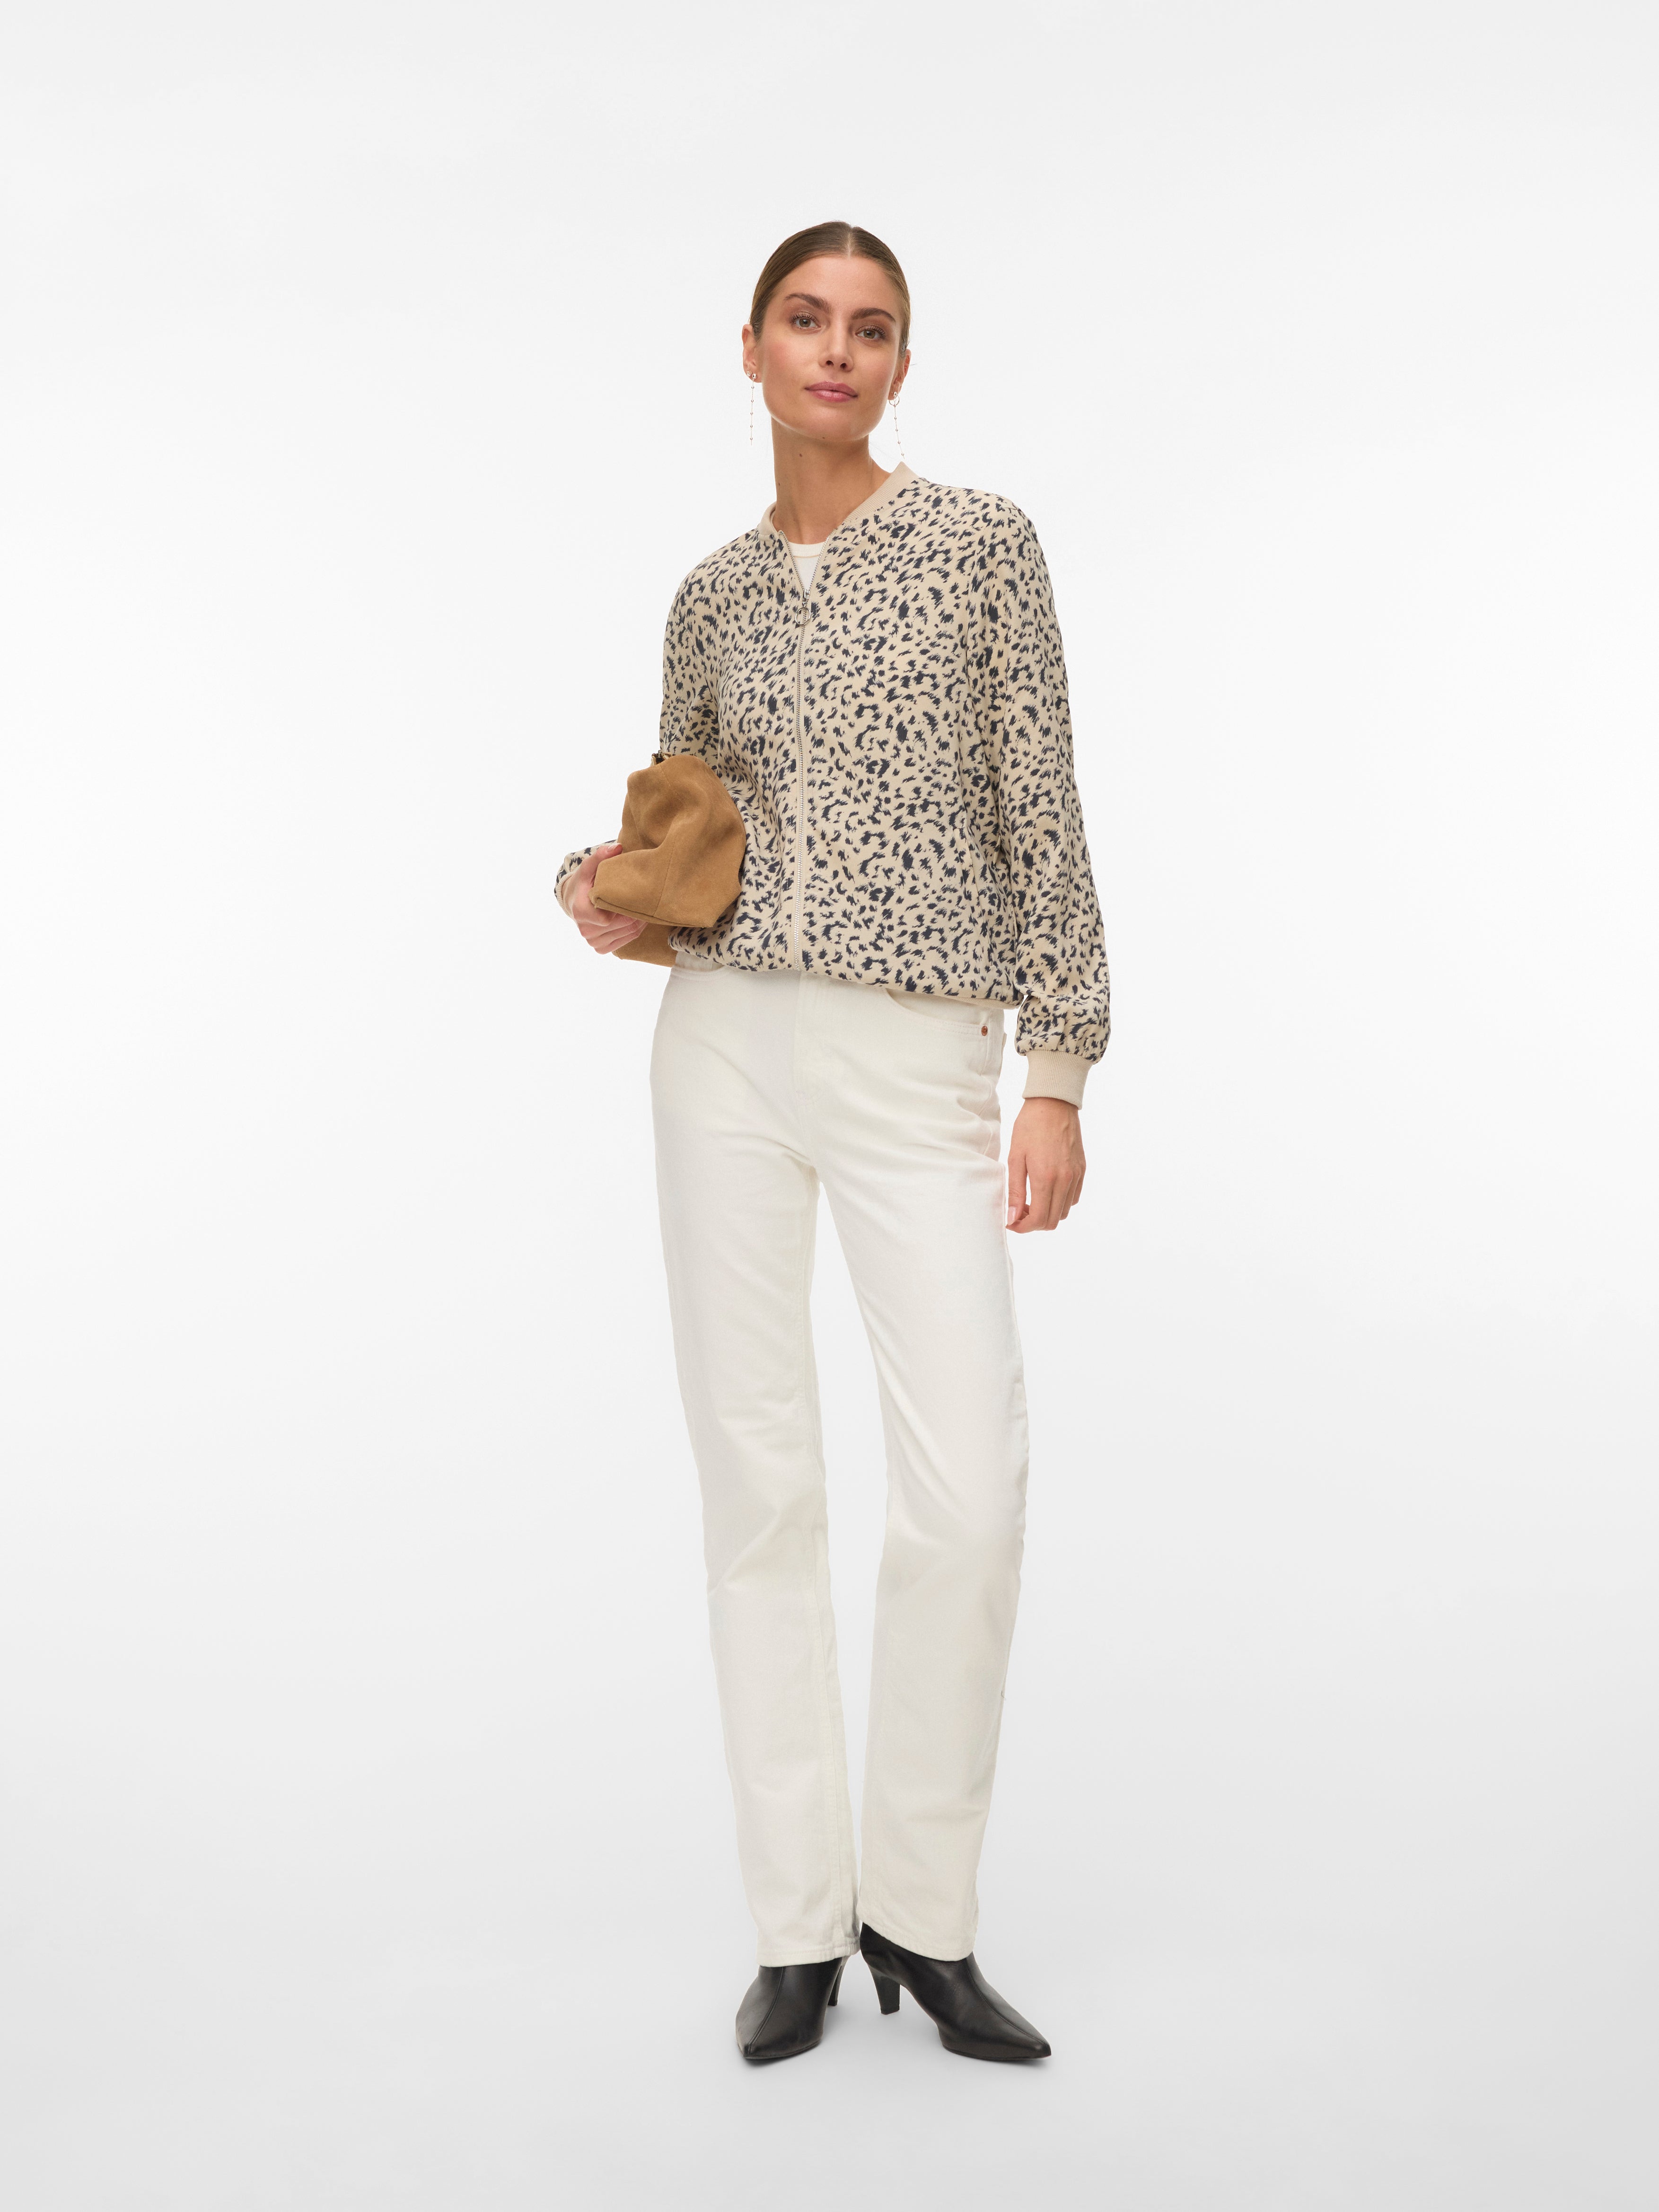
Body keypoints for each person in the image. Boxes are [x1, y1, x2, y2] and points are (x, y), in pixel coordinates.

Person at [556, 221, 1109, 2064]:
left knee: (965, 1492)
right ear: (750, 348)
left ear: (899, 365)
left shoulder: (980, 546)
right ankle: (796, 1924)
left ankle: (919, 1914)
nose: (836, 350)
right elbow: (683, 826)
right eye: (805, 319)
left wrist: (1057, 1068)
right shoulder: (707, 596)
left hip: (916, 1051)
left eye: (870, 328)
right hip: (719, 1048)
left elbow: (1042, 805)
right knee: (759, 1479)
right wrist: (606, 890)